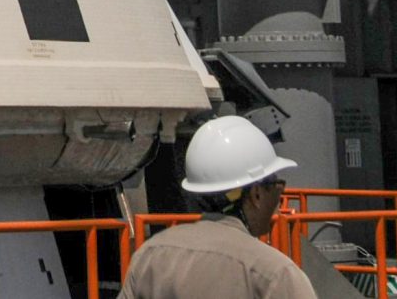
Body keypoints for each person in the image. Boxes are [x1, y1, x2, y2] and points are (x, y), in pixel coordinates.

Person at [124, 115, 314, 299]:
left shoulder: (150, 255)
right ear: (256, 194)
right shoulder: (274, 274)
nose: (279, 203)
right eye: (276, 187)